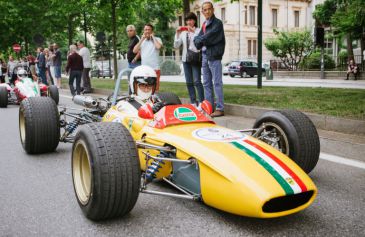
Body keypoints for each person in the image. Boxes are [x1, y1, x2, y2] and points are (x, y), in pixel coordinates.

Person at [194, 1, 226, 117]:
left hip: (214, 56)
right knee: (206, 83)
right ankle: (209, 107)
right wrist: (200, 39)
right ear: (202, 12)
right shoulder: (204, 24)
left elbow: (209, 37)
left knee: (217, 83)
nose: (207, 11)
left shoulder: (217, 23)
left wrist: (200, 39)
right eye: (205, 10)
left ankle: (220, 108)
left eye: (209, 9)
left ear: (213, 10)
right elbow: (197, 39)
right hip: (204, 56)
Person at [174, 12, 204, 106]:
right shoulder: (183, 33)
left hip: (195, 59)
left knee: (197, 81)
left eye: (191, 20)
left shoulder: (199, 31)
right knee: (189, 82)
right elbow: (176, 45)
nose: (189, 22)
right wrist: (177, 34)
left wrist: (193, 32)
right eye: (187, 20)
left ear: (194, 20)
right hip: (185, 60)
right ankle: (193, 102)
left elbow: (199, 43)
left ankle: (202, 103)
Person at [133, 23, 163, 91]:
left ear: (152, 31)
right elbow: (134, 51)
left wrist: (153, 37)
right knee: (145, 90)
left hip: (155, 69)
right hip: (144, 70)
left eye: (149, 29)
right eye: (145, 29)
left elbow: (158, 47)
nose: (147, 31)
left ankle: (154, 101)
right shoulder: (142, 41)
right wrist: (141, 39)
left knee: (155, 90)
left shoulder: (158, 39)